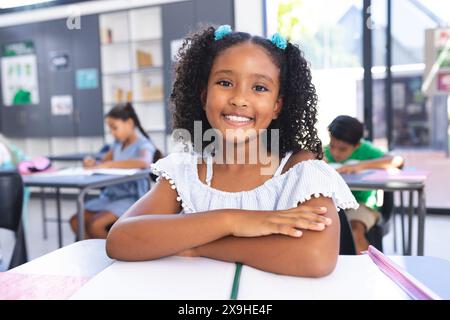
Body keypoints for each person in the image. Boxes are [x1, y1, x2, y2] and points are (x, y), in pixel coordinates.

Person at [106, 25, 358, 277]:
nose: (239, 98)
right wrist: (233, 221)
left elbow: (315, 257)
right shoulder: (186, 173)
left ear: (277, 106)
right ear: (204, 96)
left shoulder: (301, 170)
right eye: (225, 82)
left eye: (259, 88)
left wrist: (200, 245)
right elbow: (120, 240)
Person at [69, 103, 156, 239]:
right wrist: (92, 163)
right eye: (110, 129)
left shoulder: (143, 144)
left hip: (131, 199)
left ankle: (117, 252)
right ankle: (92, 254)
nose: (113, 133)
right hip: (110, 197)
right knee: (75, 221)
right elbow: (103, 163)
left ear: (129, 123)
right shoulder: (117, 145)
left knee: (95, 225)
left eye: (115, 128)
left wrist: (109, 165)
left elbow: (145, 162)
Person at [324, 115, 404, 254]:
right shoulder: (325, 153)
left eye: (342, 149)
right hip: (335, 205)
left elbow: (397, 161)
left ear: (357, 145)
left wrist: (360, 166)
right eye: (332, 146)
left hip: (361, 204)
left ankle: (367, 268)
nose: (335, 153)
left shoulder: (366, 151)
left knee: (355, 231)